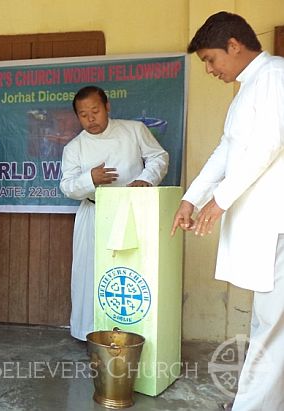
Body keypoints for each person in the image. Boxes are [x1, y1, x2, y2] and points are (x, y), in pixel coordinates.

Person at [171, 11, 284, 411]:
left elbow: (268, 144)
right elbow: (227, 151)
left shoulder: (273, 75)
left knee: (272, 327)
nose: (208, 69)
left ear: (234, 46)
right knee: (267, 323)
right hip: (263, 225)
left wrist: (220, 200)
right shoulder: (248, 87)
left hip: (277, 224)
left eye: (210, 59)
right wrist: (193, 197)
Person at [60, 86, 169, 341]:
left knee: (131, 273)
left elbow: (158, 157)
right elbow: (66, 186)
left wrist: (146, 180)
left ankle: (134, 334)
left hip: (133, 212)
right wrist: (90, 179)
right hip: (94, 214)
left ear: (107, 107)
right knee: (90, 273)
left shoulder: (134, 130)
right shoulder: (74, 147)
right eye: (83, 114)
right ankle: (88, 332)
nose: (90, 119)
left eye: (95, 111)